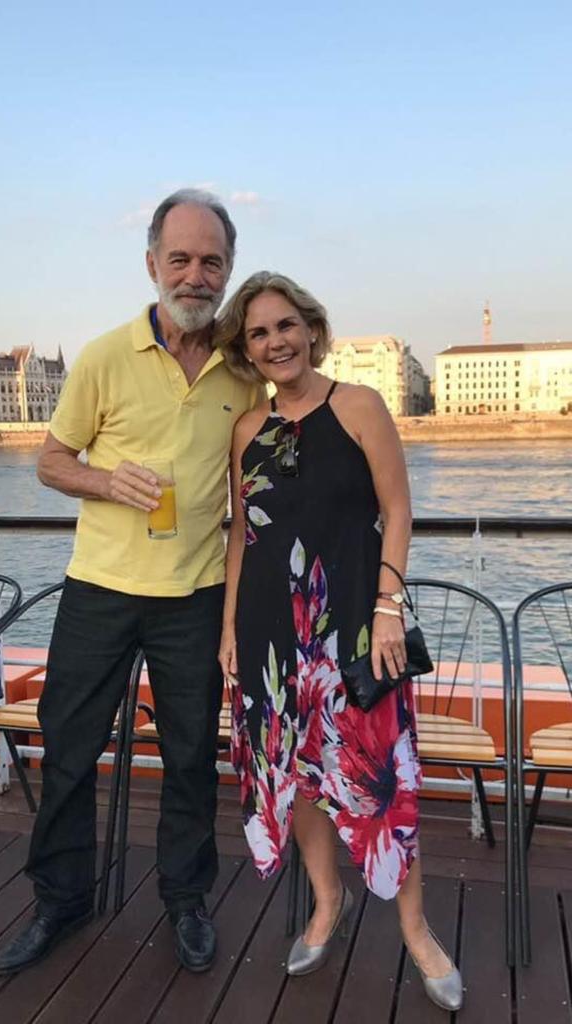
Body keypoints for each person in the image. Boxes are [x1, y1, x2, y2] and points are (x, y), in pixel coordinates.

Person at [0, 189, 262, 977]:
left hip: (196, 596)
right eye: (179, 258)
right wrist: (109, 482)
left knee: (191, 757)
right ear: (151, 264)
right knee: (69, 749)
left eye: (211, 261)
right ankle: (59, 900)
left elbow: (252, 498)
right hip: (100, 589)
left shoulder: (242, 372)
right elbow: (51, 462)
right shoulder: (105, 355)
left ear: (228, 270)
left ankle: (186, 900)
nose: (195, 275)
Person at [216, 272, 463, 1012]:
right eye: (259, 333)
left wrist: (388, 606)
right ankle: (328, 904)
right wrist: (229, 629)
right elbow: (242, 536)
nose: (276, 342)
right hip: (269, 635)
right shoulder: (246, 431)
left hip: (353, 626)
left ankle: (417, 932)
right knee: (297, 778)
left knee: (382, 777)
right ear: (247, 350)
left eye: (285, 325)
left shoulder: (358, 405)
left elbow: (398, 509)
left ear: (311, 329)